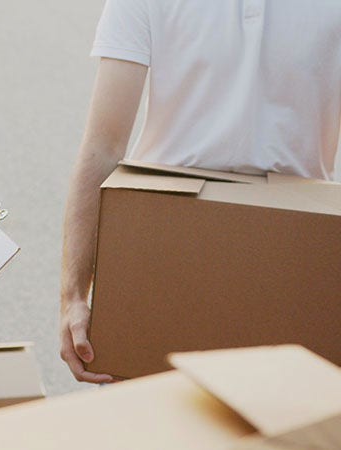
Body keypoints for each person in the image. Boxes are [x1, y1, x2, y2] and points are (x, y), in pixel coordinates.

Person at [59, 0, 341, 383]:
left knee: (282, 435)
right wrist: (73, 295)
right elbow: (103, 146)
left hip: (293, 254)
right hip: (163, 246)